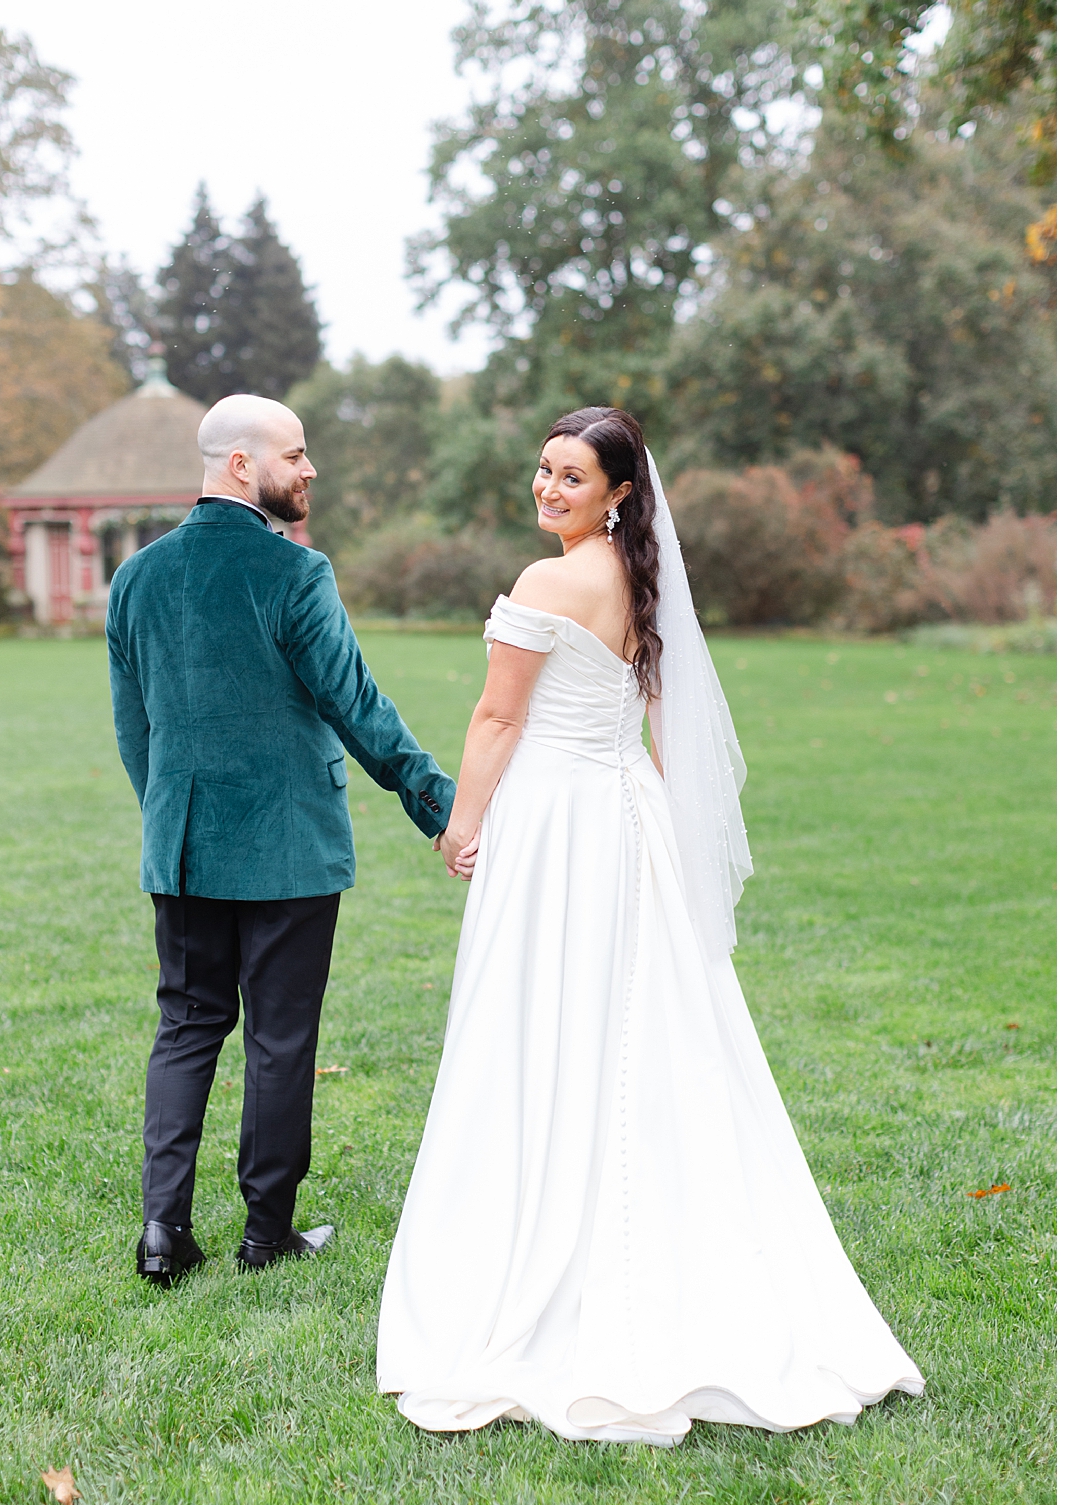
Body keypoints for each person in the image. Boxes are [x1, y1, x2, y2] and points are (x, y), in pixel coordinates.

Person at [376, 406, 923, 1445]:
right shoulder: (642, 578)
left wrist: (461, 824)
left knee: (543, 1024)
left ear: (619, 491)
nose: (548, 490)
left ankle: (555, 1258)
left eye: (572, 478)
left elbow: (496, 719)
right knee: (646, 1033)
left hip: (555, 827)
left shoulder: (548, 583)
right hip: (626, 823)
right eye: (542, 470)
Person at [107, 394, 455, 1287]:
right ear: (237, 465)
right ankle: (266, 1234)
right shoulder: (292, 574)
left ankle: (162, 1232)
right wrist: (438, 803)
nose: (308, 470)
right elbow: (356, 707)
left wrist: (172, 815)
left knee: (186, 1028)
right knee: (278, 1039)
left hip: (180, 847)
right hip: (289, 849)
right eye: (294, 454)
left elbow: (134, 732)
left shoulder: (135, 578)